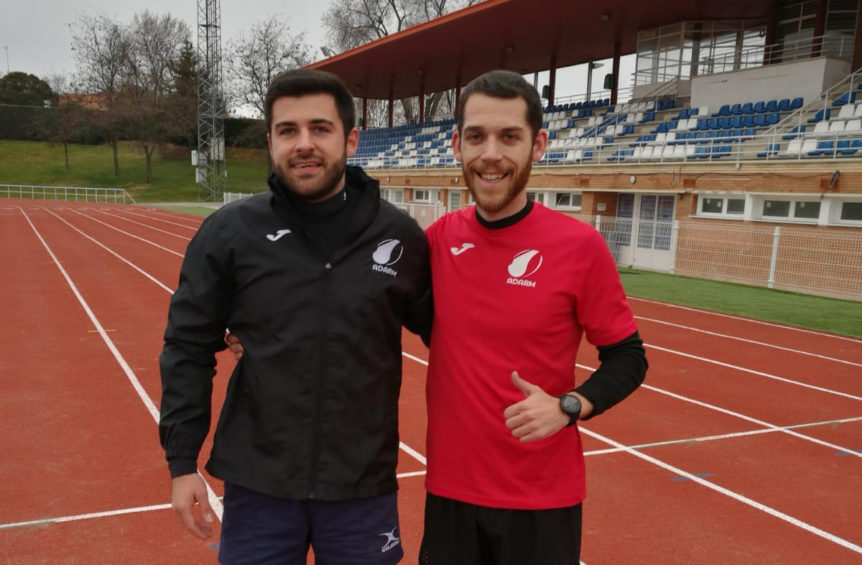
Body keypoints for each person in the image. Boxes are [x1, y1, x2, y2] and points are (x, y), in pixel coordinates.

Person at [158, 68, 431, 565]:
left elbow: (453, 337)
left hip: (361, 487)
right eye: (288, 131)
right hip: (260, 484)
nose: (304, 144)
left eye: (319, 128)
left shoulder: (399, 236)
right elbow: (187, 347)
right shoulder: (229, 233)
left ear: (350, 139)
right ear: (270, 141)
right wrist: (182, 462)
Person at [418, 70, 647, 564]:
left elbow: (629, 358)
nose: (491, 154)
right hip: (450, 496)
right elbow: (358, 302)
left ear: (538, 145)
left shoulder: (580, 246)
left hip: (541, 501)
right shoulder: (437, 241)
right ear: (457, 145)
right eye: (477, 136)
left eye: (510, 137)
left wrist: (569, 406)